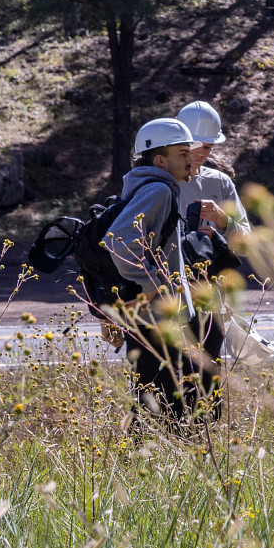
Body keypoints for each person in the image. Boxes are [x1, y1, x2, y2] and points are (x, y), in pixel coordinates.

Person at [105, 116, 222, 424]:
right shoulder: (158, 191)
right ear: (160, 159)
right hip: (156, 322)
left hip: (154, 320)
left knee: (158, 406)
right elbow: (120, 241)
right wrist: (149, 285)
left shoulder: (149, 188)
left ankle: (149, 465)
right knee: (158, 411)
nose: (191, 160)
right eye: (182, 153)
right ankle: (140, 467)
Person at [176, 100, 250, 237]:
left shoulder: (221, 182)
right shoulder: (160, 182)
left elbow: (247, 240)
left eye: (207, 147)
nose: (201, 152)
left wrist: (223, 221)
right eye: (195, 144)